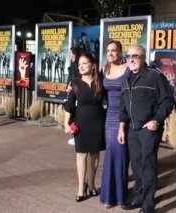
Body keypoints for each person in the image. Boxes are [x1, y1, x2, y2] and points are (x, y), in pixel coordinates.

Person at [118, 44, 174, 213]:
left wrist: (156, 121)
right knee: (136, 164)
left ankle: (148, 204)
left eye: (136, 56)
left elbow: (168, 100)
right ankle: (139, 195)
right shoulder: (126, 79)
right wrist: (122, 128)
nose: (131, 59)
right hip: (132, 130)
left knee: (148, 164)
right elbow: (123, 108)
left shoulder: (154, 76)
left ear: (143, 58)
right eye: (128, 56)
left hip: (149, 129)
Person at [64, 52, 106, 202]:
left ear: (93, 65)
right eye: (79, 64)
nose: (80, 66)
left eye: (84, 63)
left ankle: (92, 183)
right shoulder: (74, 83)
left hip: (98, 122)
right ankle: (81, 187)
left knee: (95, 154)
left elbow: (110, 99)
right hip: (81, 123)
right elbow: (69, 105)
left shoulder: (100, 82)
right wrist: (66, 123)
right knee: (81, 155)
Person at [100, 40, 129, 209]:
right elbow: (95, 89)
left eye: (114, 50)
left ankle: (120, 196)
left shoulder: (127, 69)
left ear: (120, 52)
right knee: (111, 154)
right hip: (109, 118)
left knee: (122, 157)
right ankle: (109, 196)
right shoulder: (105, 69)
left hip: (124, 117)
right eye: (108, 50)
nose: (110, 53)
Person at [65, 47, 80, 146]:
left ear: (74, 54)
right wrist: (67, 87)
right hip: (72, 95)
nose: (69, 55)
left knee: (77, 115)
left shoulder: (79, 66)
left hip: (78, 95)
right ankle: (75, 135)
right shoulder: (72, 67)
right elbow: (69, 81)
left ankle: (77, 136)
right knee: (72, 115)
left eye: (70, 53)